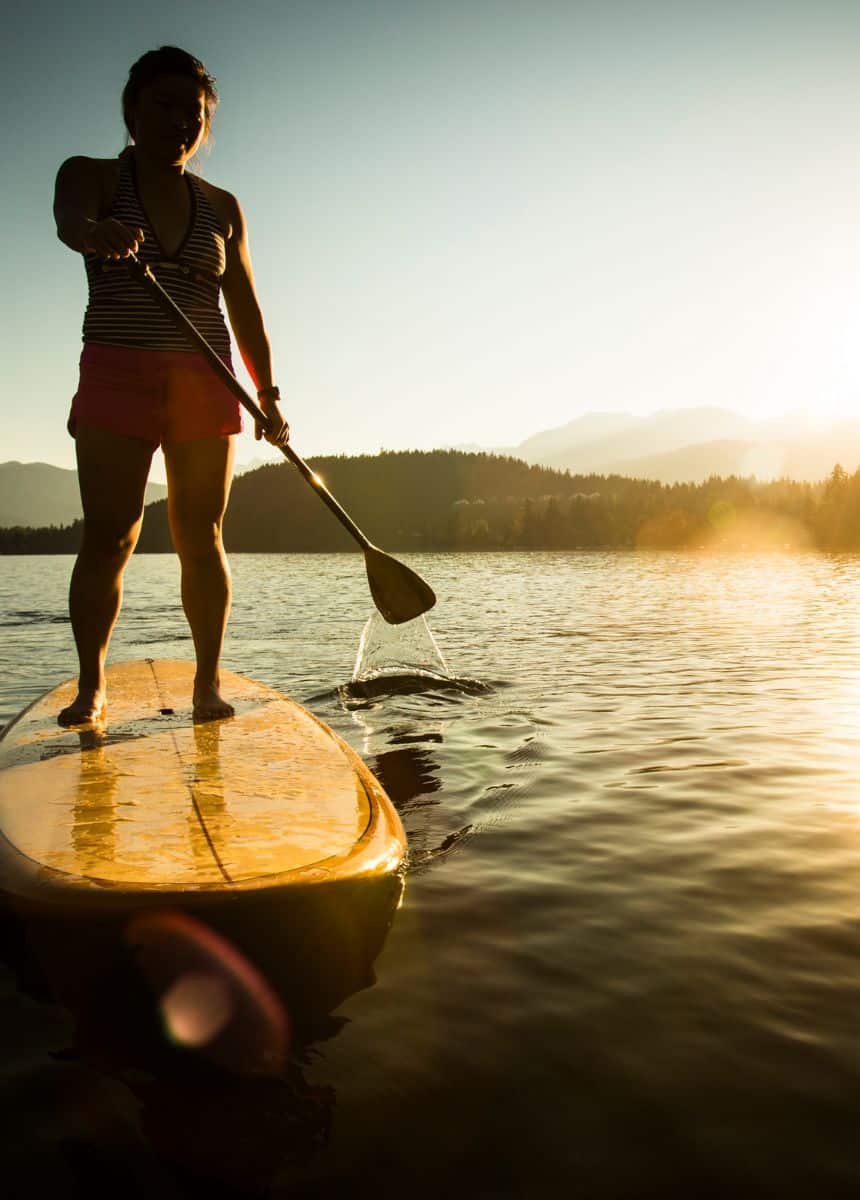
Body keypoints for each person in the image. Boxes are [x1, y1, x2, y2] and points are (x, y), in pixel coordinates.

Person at [53, 46, 288, 725]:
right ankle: (91, 686)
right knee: (112, 535)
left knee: (201, 534)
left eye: (196, 112)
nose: (183, 121)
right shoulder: (91, 177)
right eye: (166, 106)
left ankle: (206, 685)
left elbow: (244, 307)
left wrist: (268, 396)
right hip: (116, 370)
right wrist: (96, 233)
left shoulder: (223, 206)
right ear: (132, 110)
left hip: (204, 379)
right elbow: (70, 223)